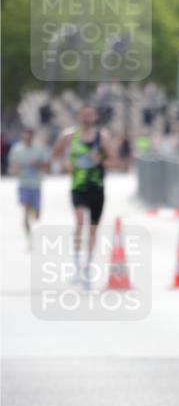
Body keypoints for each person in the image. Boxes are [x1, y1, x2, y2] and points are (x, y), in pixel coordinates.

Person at [51, 103, 116, 288]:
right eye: (84, 114)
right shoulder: (69, 136)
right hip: (78, 186)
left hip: (96, 186)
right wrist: (65, 164)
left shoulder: (101, 137)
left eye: (90, 115)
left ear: (95, 117)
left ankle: (88, 266)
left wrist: (101, 159)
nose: (87, 118)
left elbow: (114, 159)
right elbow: (55, 153)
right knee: (79, 221)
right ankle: (76, 264)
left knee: (93, 228)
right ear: (79, 116)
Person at [8, 126, 51, 247]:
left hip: (36, 184)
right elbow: (12, 167)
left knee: (36, 215)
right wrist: (18, 168)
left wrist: (38, 165)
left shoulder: (40, 149)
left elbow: (47, 165)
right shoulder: (17, 150)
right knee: (25, 211)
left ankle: (36, 210)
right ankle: (28, 238)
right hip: (23, 184)